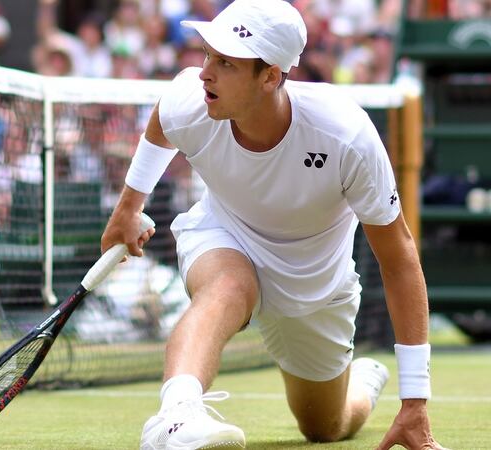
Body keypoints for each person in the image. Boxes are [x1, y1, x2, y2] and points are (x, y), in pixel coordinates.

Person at [99, 1, 444, 449]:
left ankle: (360, 382)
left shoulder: (345, 136)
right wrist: (128, 206)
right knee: (226, 286)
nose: (206, 72)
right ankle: (175, 416)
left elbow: (398, 259)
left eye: (226, 62)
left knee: (325, 427)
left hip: (315, 284)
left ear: (271, 76)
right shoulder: (195, 100)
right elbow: (162, 123)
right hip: (226, 233)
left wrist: (414, 401)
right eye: (207, 55)